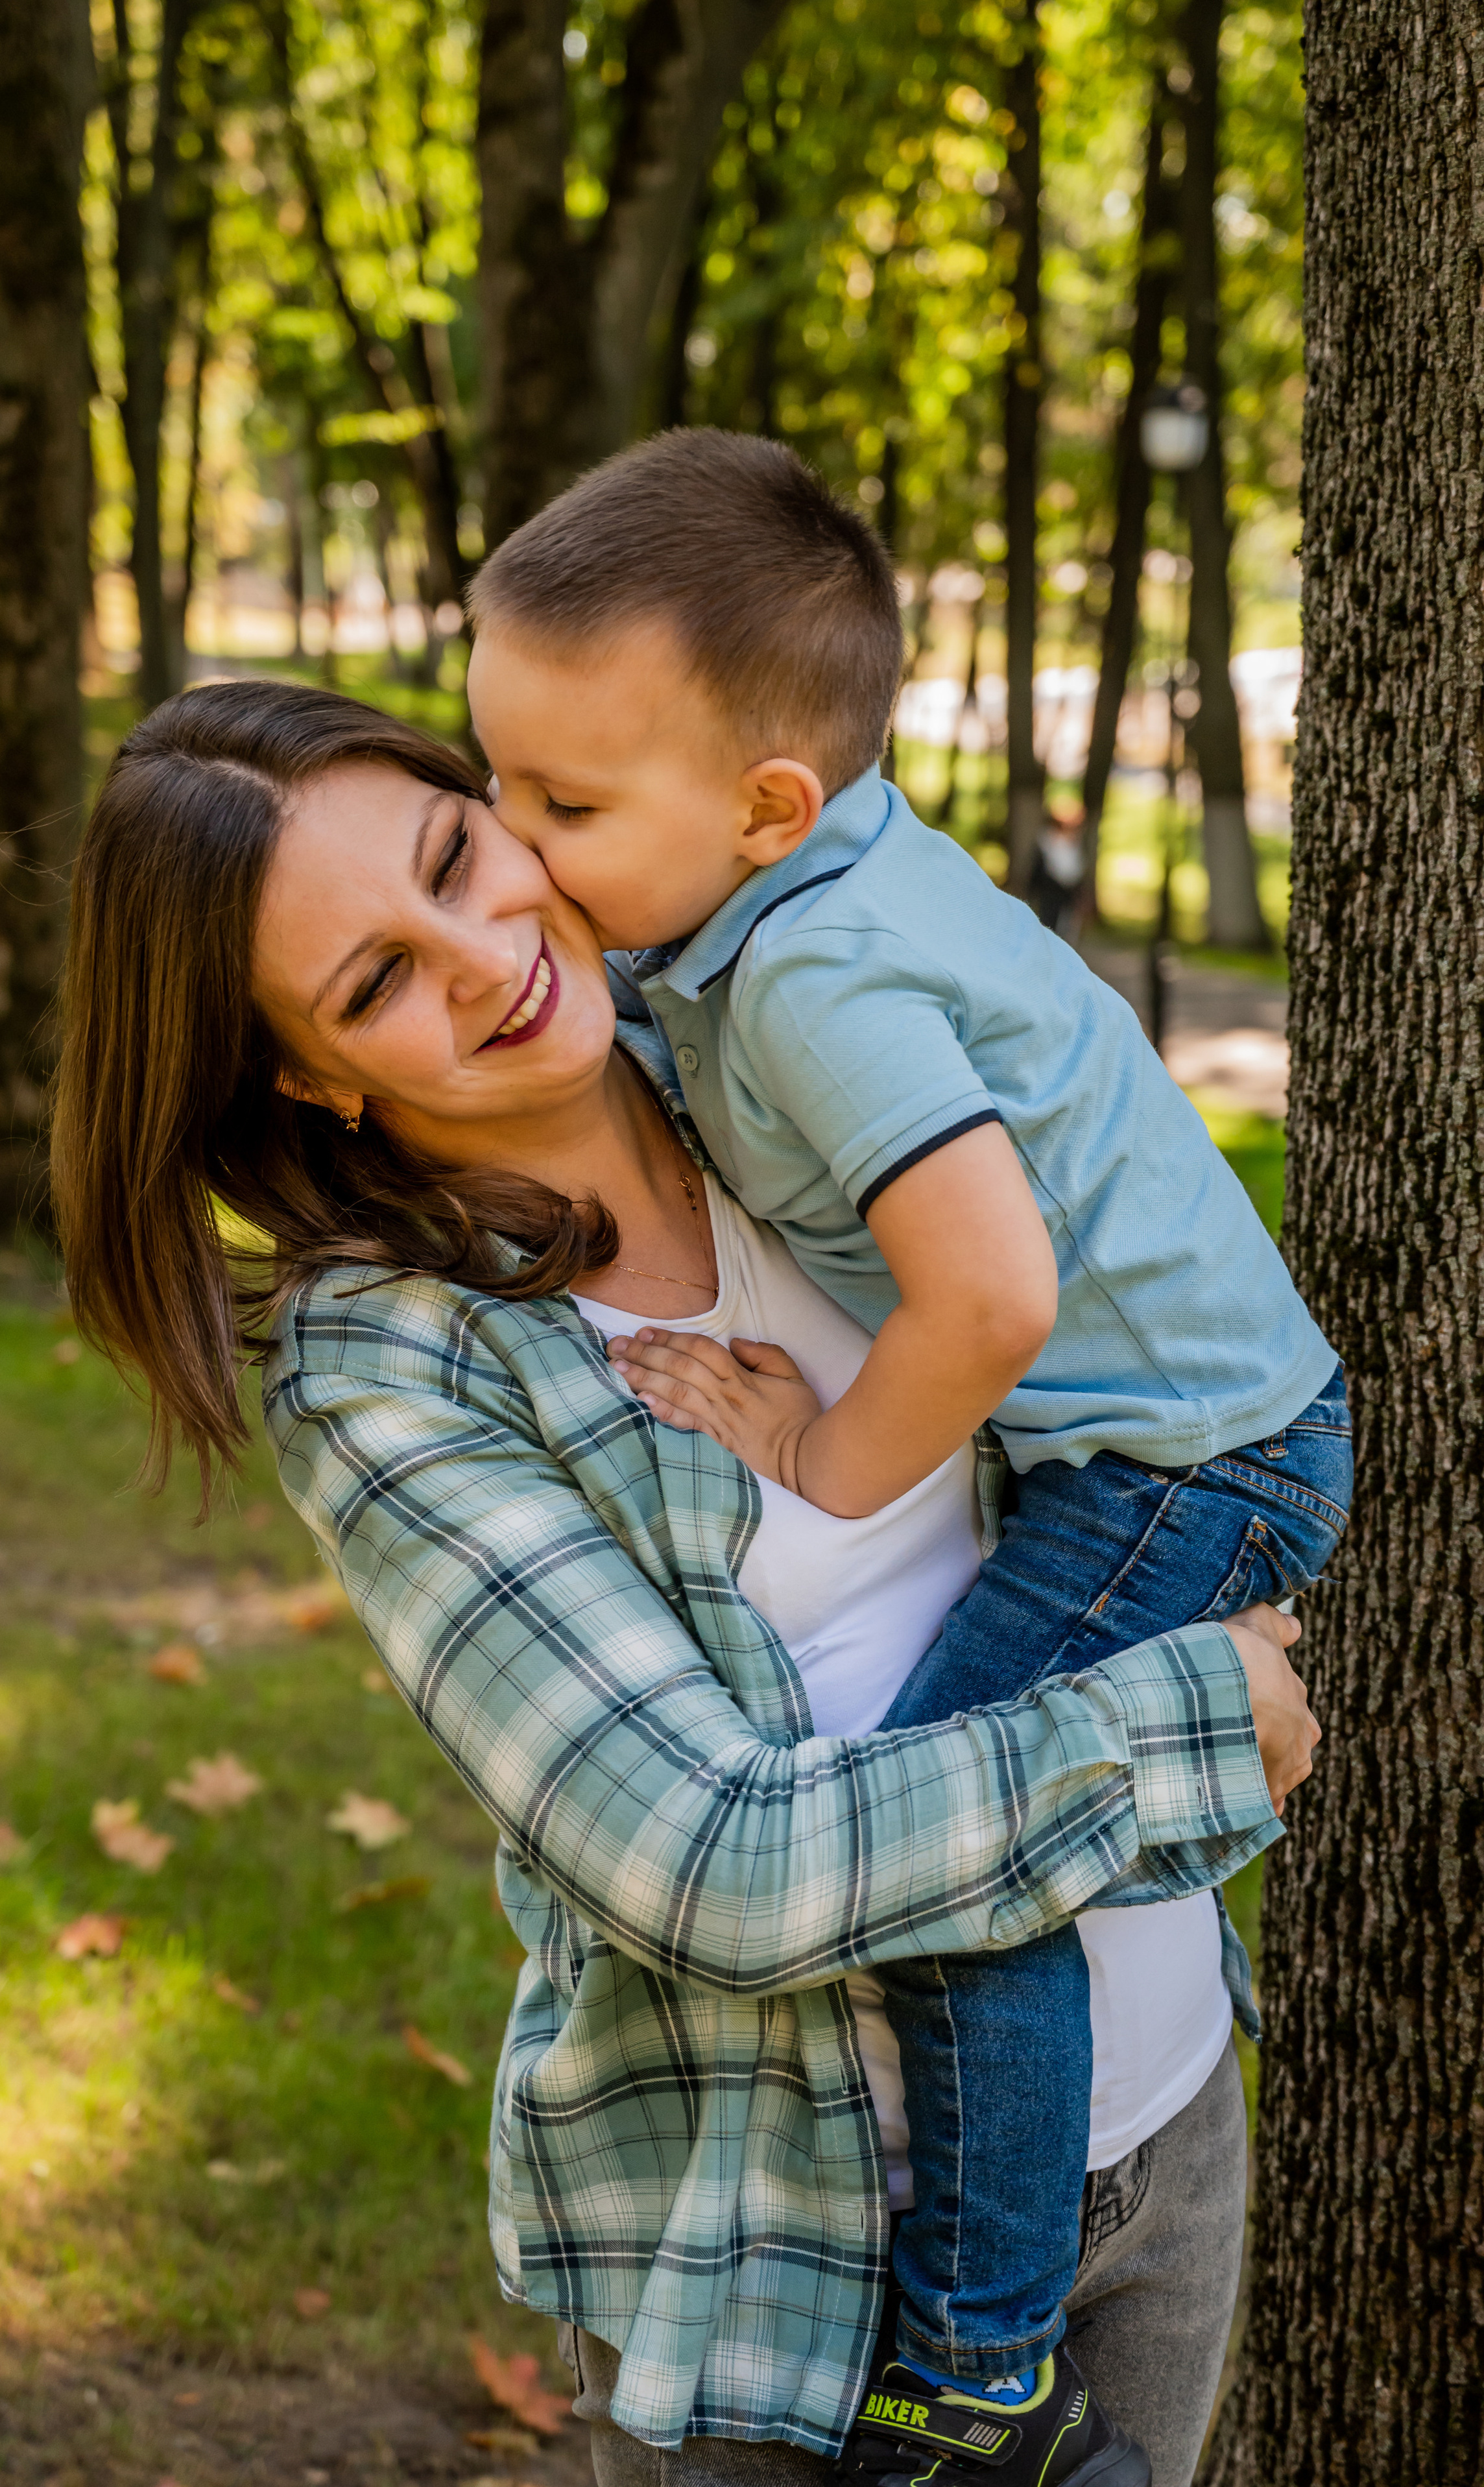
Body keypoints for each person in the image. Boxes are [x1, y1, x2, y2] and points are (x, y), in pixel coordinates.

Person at [52, 680, 1320, 2487]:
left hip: (1168, 2112)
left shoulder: (774, 1036)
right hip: (806, 2256)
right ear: (306, 1073)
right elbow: (704, 1860)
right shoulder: (393, 1369)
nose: (487, 954)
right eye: (377, 981)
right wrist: (1188, 1722)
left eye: (456, 855)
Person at [461, 429, 1354, 2475]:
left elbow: (996, 1300)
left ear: (766, 806)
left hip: (1189, 1458)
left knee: (968, 1853)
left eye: (564, 803)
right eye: (491, 779)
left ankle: (982, 2362)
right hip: (1185, 1429)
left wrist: (828, 1454)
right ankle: (997, 2329)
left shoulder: (821, 976)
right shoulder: (791, 890)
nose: (515, 847)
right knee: (989, 1816)